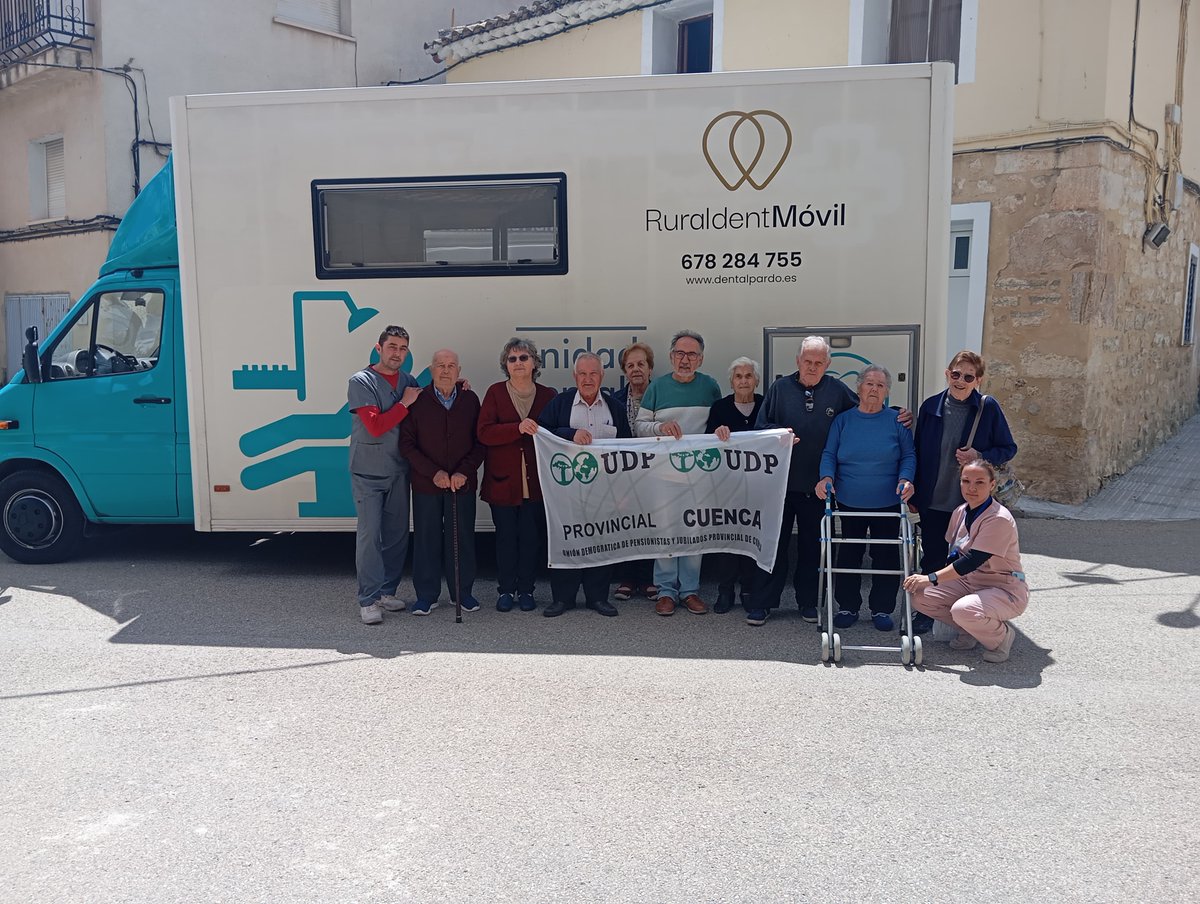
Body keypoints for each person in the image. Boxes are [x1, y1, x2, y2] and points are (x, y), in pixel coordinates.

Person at [910, 351, 1017, 634]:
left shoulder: (986, 407)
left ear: (977, 381)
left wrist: (978, 454)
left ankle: (969, 614)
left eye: (968, 377)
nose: (960, 381)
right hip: (934, 499)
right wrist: (915, 495)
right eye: (956, 374)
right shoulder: (931, 406)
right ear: (947, 373)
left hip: (971, 502)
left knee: (968, 561)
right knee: (931, 555)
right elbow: (919, 452)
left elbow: (1008, 448)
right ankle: (929, 613)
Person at [816, 365, 916, 632]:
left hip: (888, 500)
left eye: (880, 385)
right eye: (869, 383)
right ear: (859, 387)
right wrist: (826, 477)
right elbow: (829, 454)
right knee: (849, 554)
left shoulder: (896, 421)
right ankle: (847, 606)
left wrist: (906, 479)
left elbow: (908, 455)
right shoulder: (843, 420)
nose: (874, 389)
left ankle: (882, 609)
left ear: (887, 392)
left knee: (886, 556)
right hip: (849, 501)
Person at [635, 329, 725, 616]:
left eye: (691, 355)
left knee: (693, 533)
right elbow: (639, 427)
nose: (685, 360)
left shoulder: (710, 387)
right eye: (679, 354)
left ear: (700, 359)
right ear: (671, 356)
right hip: (663, 475)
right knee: (664, 532)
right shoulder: (657, 387)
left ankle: (689, 591)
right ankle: (665, 591)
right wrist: (660, 428)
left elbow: (719, 426)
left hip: (699, 475)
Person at [902, 459, 1027, 662]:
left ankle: (1001, 638)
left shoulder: (999, 518)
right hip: (969, 582)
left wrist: (931, 577)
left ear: (992, 485)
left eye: (979, 482)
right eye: (966, 481)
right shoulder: (960, 511)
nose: (972, 488)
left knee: (963, 609)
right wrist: (928, 582)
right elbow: (954, 554)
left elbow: (971, 560)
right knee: (920, 595)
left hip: (1003, 587)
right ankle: (971, 631)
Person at [538, 352, 632, 617]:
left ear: (602, 376)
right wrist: (569, 434)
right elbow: (542, 433)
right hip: (567, 488)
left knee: (601, 541)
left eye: (593, 374)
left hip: (605, 489)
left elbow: (625, 447)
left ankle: (597, 597)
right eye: (582, 374)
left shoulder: (614, 407)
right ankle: (563, 598)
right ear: (574, 376)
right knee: (566, 539)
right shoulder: (560, 403)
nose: (588, 379)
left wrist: (623, 492)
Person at [398, 349, 485, 616]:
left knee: (462, 538)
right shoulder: (418, 400)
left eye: (451, 366)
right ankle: (426, 596)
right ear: (431, 370)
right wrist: (433, 472)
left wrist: (464, 471)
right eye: (440, 366)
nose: (446, 370)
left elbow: (480, 442)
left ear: (459, 371)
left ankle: (463, 594)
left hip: (462, 483)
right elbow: (407, 444)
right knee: (426, 539)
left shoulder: (470, 399)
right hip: (427, 483)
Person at [347, 325, 422, 625]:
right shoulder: (361, 381)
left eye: (403, 348)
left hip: (398, 470)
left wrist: (457, 386)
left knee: (396, 536)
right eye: (392, 347)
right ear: (378, 348)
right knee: (369, 536)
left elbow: (423, 403)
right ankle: (368, 599)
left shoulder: (408, 380)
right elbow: (375, 426)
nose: (397, 353)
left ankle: (386, 591)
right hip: (368, 472)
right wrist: (404, 403)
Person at [477, 338, 557, 613]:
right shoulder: (496, 393)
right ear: (505, 365)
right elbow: (484, 432)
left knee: (531, 539)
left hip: (537, 484)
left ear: (534, 363)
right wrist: (517, 428)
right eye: (512, 359)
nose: (518, 363)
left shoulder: (548, 395)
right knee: (505, 539)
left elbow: (557, 434)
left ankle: (527, 591)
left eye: (524, 358)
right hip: (503, 483)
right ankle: (505, 591)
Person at [705, 356, 765, 613]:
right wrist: (716, 434)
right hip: (727, 487)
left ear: (756, 381)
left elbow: (776, 432)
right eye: (738, 376)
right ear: (731, 382)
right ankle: (725, 590)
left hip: (759, 486)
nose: (743, 381)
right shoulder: (719, 407)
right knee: (729, 539)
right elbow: (707, 443)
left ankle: (749, 589)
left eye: (748, 376)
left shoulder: (765, 404)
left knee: (753, 537)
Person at [610, 341, 657, 602]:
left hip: (656, 472)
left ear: (650, 369)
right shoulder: (614, 400)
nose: (636, 369)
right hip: (624, 474)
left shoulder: (662, 395)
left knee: (652, 524)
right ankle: (627, 578)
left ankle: (649, 578)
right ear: (624, 371)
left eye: (641, 364)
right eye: (630, 365)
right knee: (626, 524)